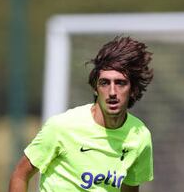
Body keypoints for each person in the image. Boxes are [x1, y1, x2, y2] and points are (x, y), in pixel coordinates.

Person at [9, 36, 154, 192]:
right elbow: (20, 175)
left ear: (132, 89)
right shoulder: (62, 127)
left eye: (120, 83)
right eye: (105, 83)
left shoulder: (140, 137)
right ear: (95, 87)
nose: (112, 92)